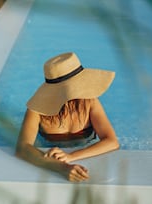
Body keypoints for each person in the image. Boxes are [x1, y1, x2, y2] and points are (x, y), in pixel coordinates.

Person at [16, 52, 119, 182]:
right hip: (51, 151)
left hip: (81, 150)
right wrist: (61, 167)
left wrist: (71, 157)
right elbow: (22, 148)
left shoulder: (90, 102)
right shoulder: (37, 110)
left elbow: (112, 141)